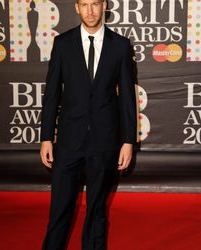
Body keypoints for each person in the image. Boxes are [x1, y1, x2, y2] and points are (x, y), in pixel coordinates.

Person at [40, 0, 137, 249]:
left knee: (96, 210)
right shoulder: (62, 43)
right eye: (85, 5)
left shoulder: (120, 45)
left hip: (105, 140)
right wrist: (46, 137)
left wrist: (128, 140)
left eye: (95, 4)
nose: (90, 11)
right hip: (69, 141)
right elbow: (51, 94)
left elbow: (127, 96)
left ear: (104, 5)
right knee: (60, 208)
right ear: (76, 7)